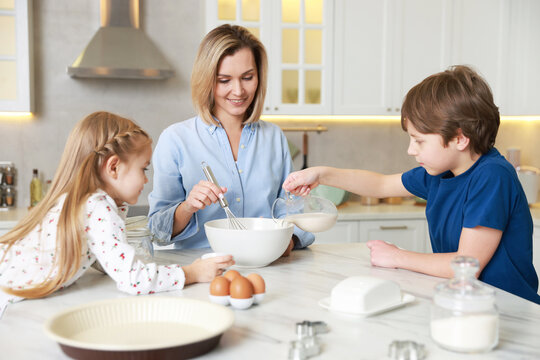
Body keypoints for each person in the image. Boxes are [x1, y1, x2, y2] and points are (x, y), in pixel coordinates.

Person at [283, 65, 540, 304]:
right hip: (468, 302)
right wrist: (321, 174)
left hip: (509, 309)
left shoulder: (492, 176)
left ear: (460, 138)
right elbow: (381, 185)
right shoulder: (440, 173)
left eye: (419, 141)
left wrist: (397, 257)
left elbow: (465, 264)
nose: (410, 150)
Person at [0, 112, 234, 307]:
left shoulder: (83, 201)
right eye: (143, 169)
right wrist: (193, 273)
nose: (145, 180)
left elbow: (99, 256)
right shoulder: (97, 207)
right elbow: (134, 280)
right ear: (113, 167)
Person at [148, 24, 314, 251]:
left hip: (268, 268)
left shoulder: (273, 137)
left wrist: (290, 241)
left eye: (247, 77)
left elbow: (291, 211)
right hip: (202, 273)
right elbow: (157, 231)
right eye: (224, 80)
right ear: (207, 80)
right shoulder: (175, 140)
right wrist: (188, 207)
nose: (238, 91)